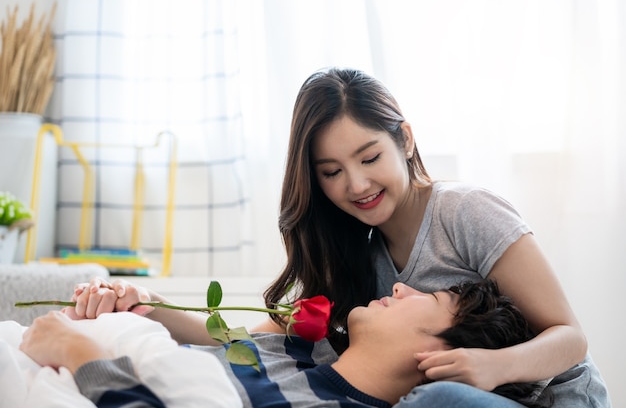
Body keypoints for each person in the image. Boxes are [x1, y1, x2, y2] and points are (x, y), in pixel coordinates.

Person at [67, 68, 611, 407]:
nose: (356, 184)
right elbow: (252, 339)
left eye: (370, 157)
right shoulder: (354, 249)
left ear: (405, 138)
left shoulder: (465, 212)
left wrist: (495, 366)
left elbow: (569, 335)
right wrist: (148, 309)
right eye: (331, 171)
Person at [22, 279, 551, 408]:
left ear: (436, 356)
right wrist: (133, 304)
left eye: (425, 297)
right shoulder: (302, 344)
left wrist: (78, 351)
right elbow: (213, 338)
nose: (399, 286)